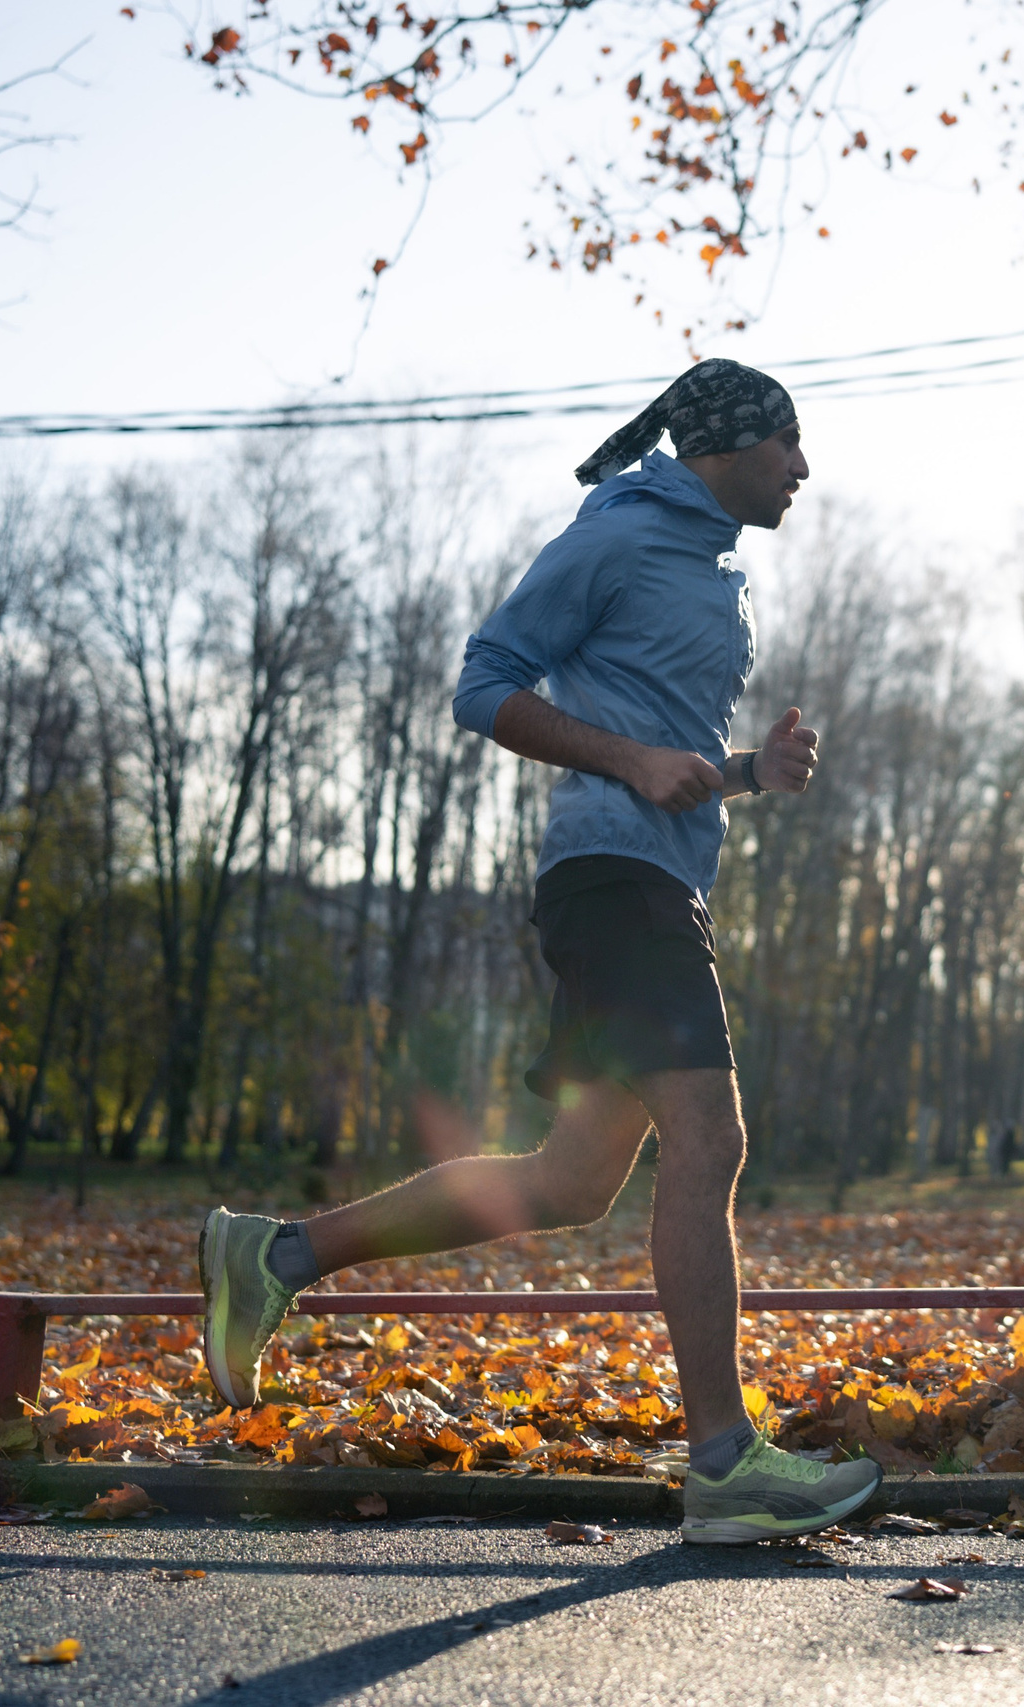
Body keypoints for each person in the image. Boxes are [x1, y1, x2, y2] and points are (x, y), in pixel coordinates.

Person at [197, 359, 883, 1544]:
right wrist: (625, 763)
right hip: (613, 883)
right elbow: (485, 685)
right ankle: (724, 1463)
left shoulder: (716, 562)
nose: (805, 468)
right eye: (789, 444)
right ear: (727, 446)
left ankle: (276, 1253)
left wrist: (744, 776)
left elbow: (663, 753)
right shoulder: (617, 538)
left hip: (651, 877)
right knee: (711, 1137)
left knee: (570, 1184)